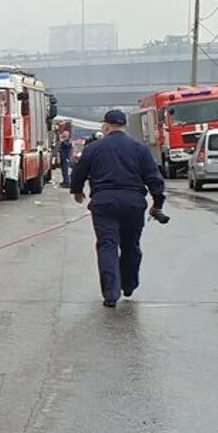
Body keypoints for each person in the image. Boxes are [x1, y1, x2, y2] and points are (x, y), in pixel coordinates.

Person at [69, 109, 166, 308]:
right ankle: (129, 283)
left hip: (104, 203)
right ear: (124, 126)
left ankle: (111, 294)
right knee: (131, 245)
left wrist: (77, 191)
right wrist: (157, 203)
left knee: (107, 245)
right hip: (133, 203)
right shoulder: (140, 149)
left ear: (106, 126)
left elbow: (79, 172)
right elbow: (154, 178)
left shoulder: (93, 148)